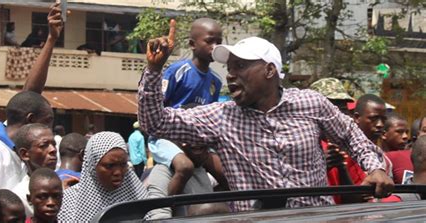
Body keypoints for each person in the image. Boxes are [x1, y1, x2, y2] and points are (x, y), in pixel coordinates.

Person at [139, 21, 393, 210]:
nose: (230, 74)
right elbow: (155, 122)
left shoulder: (311, 103)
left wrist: (376, 167)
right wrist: (153, 70)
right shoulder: (220, 117)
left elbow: (350, 134)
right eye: (229, 68)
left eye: (240, 66)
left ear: (270, 71)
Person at [0, 3, 63, 204]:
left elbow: (30, 96)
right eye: (46, 123)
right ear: (30, 121)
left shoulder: (38, 154)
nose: (49, 131)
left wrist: (52, 38)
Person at [148, 17, 224, 196]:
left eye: (219, 42)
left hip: (196, 142)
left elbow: (210, 121)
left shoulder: (216, 81)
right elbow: (157, 108)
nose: (215, 46)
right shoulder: (178, 71)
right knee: (185, 167)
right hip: (167, 138)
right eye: (209, 41)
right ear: (192, 44)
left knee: (227, 174)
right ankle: (166, 207)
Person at [58, 132, 150, 222]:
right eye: (109, 166)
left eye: (123, 164)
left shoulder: (137, 197)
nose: (118, 172)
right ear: (92, 166)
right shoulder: (69, 204)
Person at [309, 78, 366, 204]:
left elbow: (355, 201)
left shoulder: (349, 148)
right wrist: (318, 166)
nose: (337, 115)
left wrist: (341, 168)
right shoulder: (297, 144)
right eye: (330, 108)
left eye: (342, 109)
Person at [147, 141, 214, 219]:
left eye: (208, 148)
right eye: (198, 149)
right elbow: (158, 217)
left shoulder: (202, 170)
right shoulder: (162, 172)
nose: (206, 154)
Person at [11, 124, 58, 217]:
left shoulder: (64, 185)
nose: (53, 150)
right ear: (25, 154)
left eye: (54, 144)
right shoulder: (20, 196)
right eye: (43, 145)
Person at [382, 113, 412, 184]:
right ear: (384, 134)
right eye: (399, 132)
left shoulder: (411, 157)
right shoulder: (374, 159)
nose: (405, 136)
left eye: (406, 132)